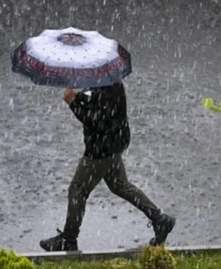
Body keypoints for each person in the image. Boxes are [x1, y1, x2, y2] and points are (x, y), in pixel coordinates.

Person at [39, 81, 176, 252]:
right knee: (119, 185)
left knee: (77, 190)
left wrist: (72, 103)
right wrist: (78, 96)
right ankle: (160, 220)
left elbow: (95, 121)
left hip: (101, 150)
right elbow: (94, 100)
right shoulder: (109, 81)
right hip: (113, 144)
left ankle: (69, 238)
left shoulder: (106, 86)